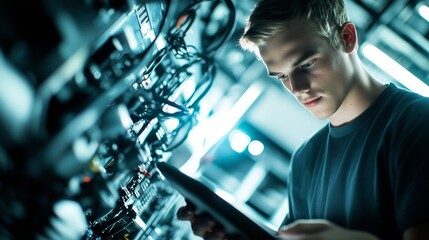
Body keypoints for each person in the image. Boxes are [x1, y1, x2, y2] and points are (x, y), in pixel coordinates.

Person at [177, 0, 429, 239]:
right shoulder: (305, 161)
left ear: (347, 38)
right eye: (281, 76)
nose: (296, 87)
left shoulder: (417, 123)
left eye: (306, 64)